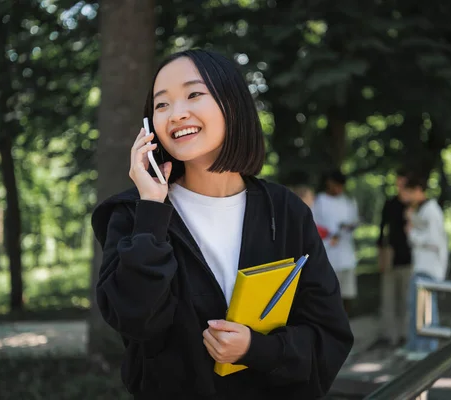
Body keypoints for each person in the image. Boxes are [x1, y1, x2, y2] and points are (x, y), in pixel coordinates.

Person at [91, 49, 353, 400]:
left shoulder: (286, 211)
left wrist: (256, 350)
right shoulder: (131, 214)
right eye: (161, 104)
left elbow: (329, 335)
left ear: (232, 104)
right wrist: (151, 208)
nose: (177, 113)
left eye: (194, 94)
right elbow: (134, 320)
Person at [399, 170, 449, 359]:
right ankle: (415, 345)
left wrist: (412, 233)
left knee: (426, 307)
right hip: (420, 266)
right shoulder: (420, 210)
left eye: (409, 192)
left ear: (418, 190)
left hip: (430, 267)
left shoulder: (431, 210)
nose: (407, 197)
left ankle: (428, 348)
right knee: (414, 306)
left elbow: (434, 240)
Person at [313, 170, 360, 317]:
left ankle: (345, 321)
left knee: (347, 293)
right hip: (328, 253)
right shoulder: (319, 201)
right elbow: (314, 225)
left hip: (346, 253)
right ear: (329, 183)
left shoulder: (348, 202)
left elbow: (355, 221)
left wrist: (349, 226)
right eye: (336, 185)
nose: (338, 189)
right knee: (329, 291)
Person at [375, 167, 412, 347]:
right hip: (391, 256)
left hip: (408, 257)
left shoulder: (414, 205)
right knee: (388, 297)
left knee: (406, 298)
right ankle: (388, 334)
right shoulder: (390, 204)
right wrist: (381, 253)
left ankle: (405, 333)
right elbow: (382, 230)